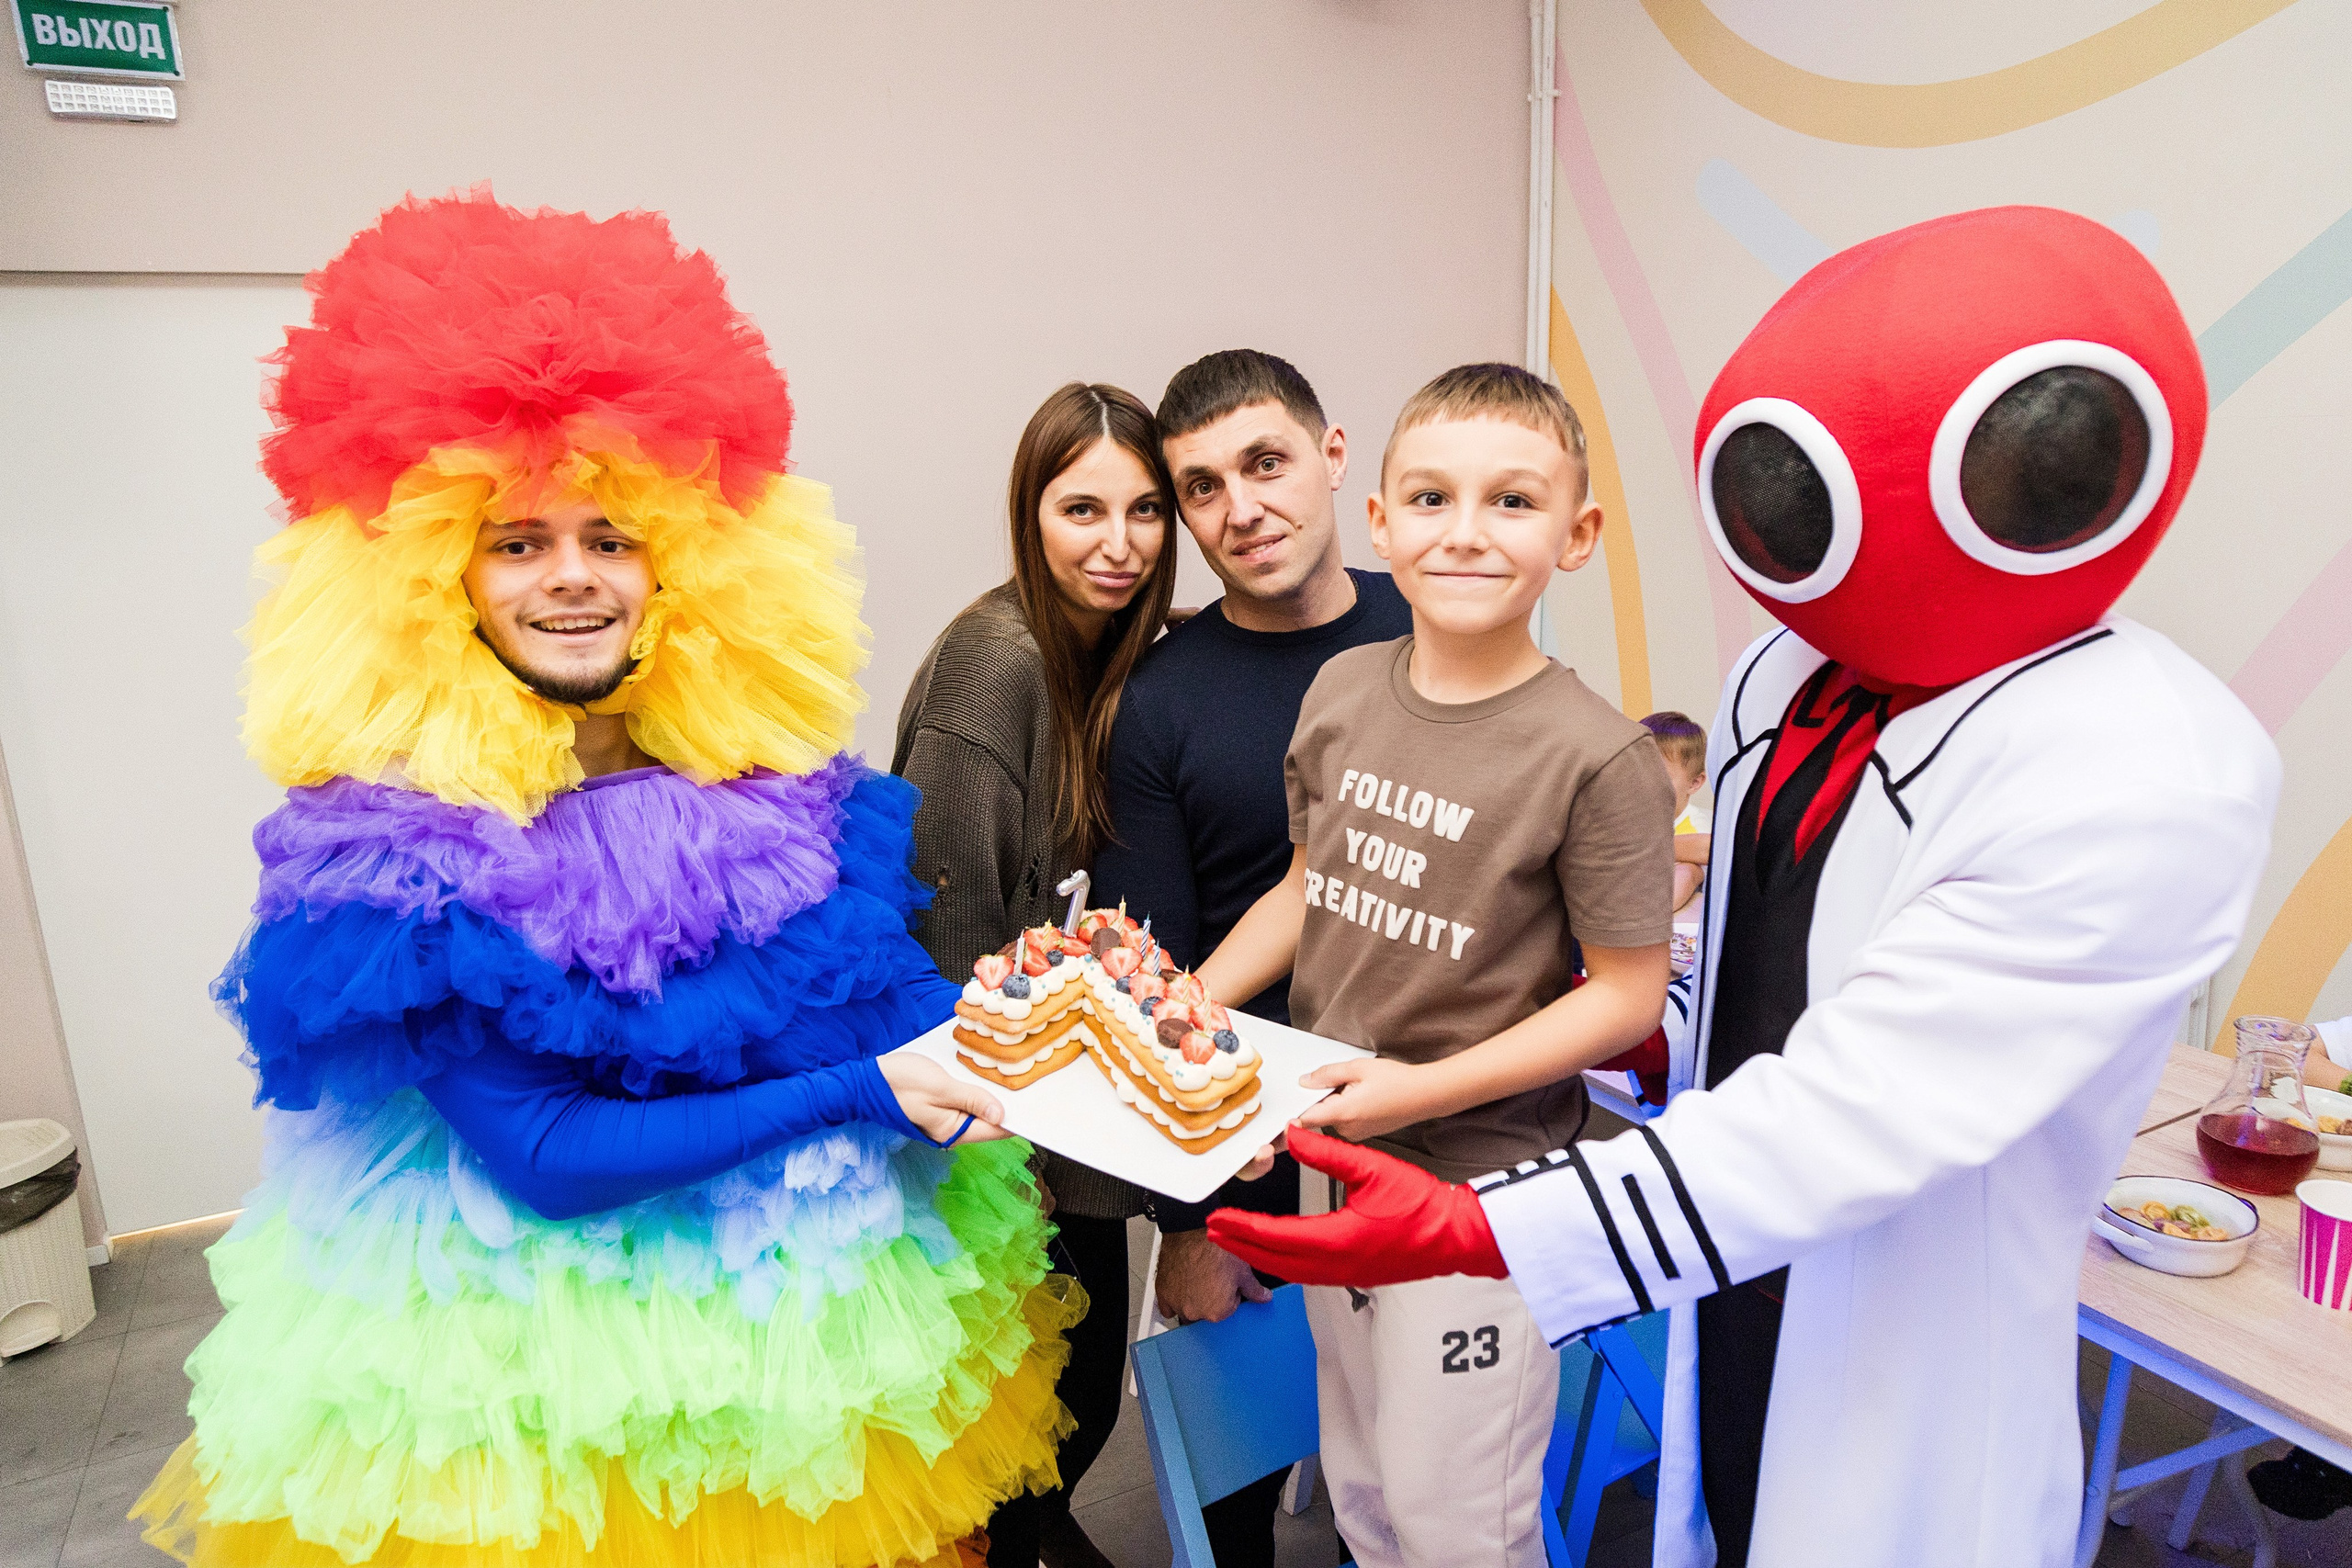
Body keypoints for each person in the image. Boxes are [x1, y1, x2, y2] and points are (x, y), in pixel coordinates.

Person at [1210, 208, 2281, 1568]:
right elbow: (1741, 934)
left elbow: (1864, 1103)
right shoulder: (1782, 673)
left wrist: (1497, 1213)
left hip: (1909, 1321)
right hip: (1720, 1269)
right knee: (1660, 1496)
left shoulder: (2143, 758)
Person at [130, 191, 1076, 1568]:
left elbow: (854, 994)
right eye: (519, 540)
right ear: (436, 575)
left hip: (798, 1338)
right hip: (541, 1382)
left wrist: (993, 1017)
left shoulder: (754, 781)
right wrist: (866, 1093)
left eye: (608, 536)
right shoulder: (396, 850)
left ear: (677, 559)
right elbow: (547, 1160)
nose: (571, 578)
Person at [1199, 362, 1675, 1568]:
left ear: (1577, 534)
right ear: (1380, 520)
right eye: (1431, 498)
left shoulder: (1597, 756)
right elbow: (1310, 888)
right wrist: (1195, 1001)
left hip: (1481, 1195)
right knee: (1360, 1481)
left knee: (1454, 1514)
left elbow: (1624, 996)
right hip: (1332, 1155)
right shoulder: (1342, 688)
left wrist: (1415, 1090)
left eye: (1511, 502)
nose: (1465, 532)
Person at [1091, 348, 1414, 1565]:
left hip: (1433, 1124)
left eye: (1267, 462)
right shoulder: (1161, 702)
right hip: (1256, 1149)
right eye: (1204, 487)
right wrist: (1195, 1216)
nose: (1244, 507)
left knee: (1435, 1464)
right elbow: (1163, 976)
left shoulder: (1435, 620)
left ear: (1334, 459)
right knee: (1233, 1495)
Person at [892, 381, 1176, 1568]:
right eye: (1082, 509)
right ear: (1031, 512)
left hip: (1075, 1098)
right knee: (1026, 1441)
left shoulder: (1120, 649)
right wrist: (1003, 1156)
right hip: (1001, 1119)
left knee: (1070, 1417)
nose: (1117, 545)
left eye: (1146, 509)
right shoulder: (994, 666)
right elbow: (941, 932)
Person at [1641, 710, 1710, 916]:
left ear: (1694, 783)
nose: (1645, 783)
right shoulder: (1625, 817)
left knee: (1689, 870)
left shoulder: (1695, 826)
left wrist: (1638, 850)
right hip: (1622, 896)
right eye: (1635, 772)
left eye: (1661, 776)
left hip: (1664, 913)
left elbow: (1709, 848)